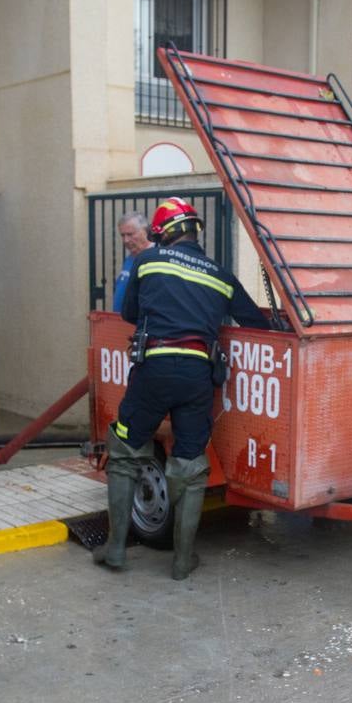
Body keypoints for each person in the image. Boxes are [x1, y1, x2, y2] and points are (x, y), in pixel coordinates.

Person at [92, 197, 271, 580]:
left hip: (153, 370)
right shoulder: (220, 274)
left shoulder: (147, 261)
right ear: (195, 232)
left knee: (124, 452)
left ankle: (117, 551)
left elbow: (129, 314)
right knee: (190, 466)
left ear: (161, 233)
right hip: (197, 376)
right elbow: (255, 321)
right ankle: (182, 561)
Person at [113, 211, 150, 310]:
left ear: (144, 231)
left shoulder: (156, 257)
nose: (126, 240)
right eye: (122, 235)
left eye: (130, 234)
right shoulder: (130, 258)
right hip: (119, 322)